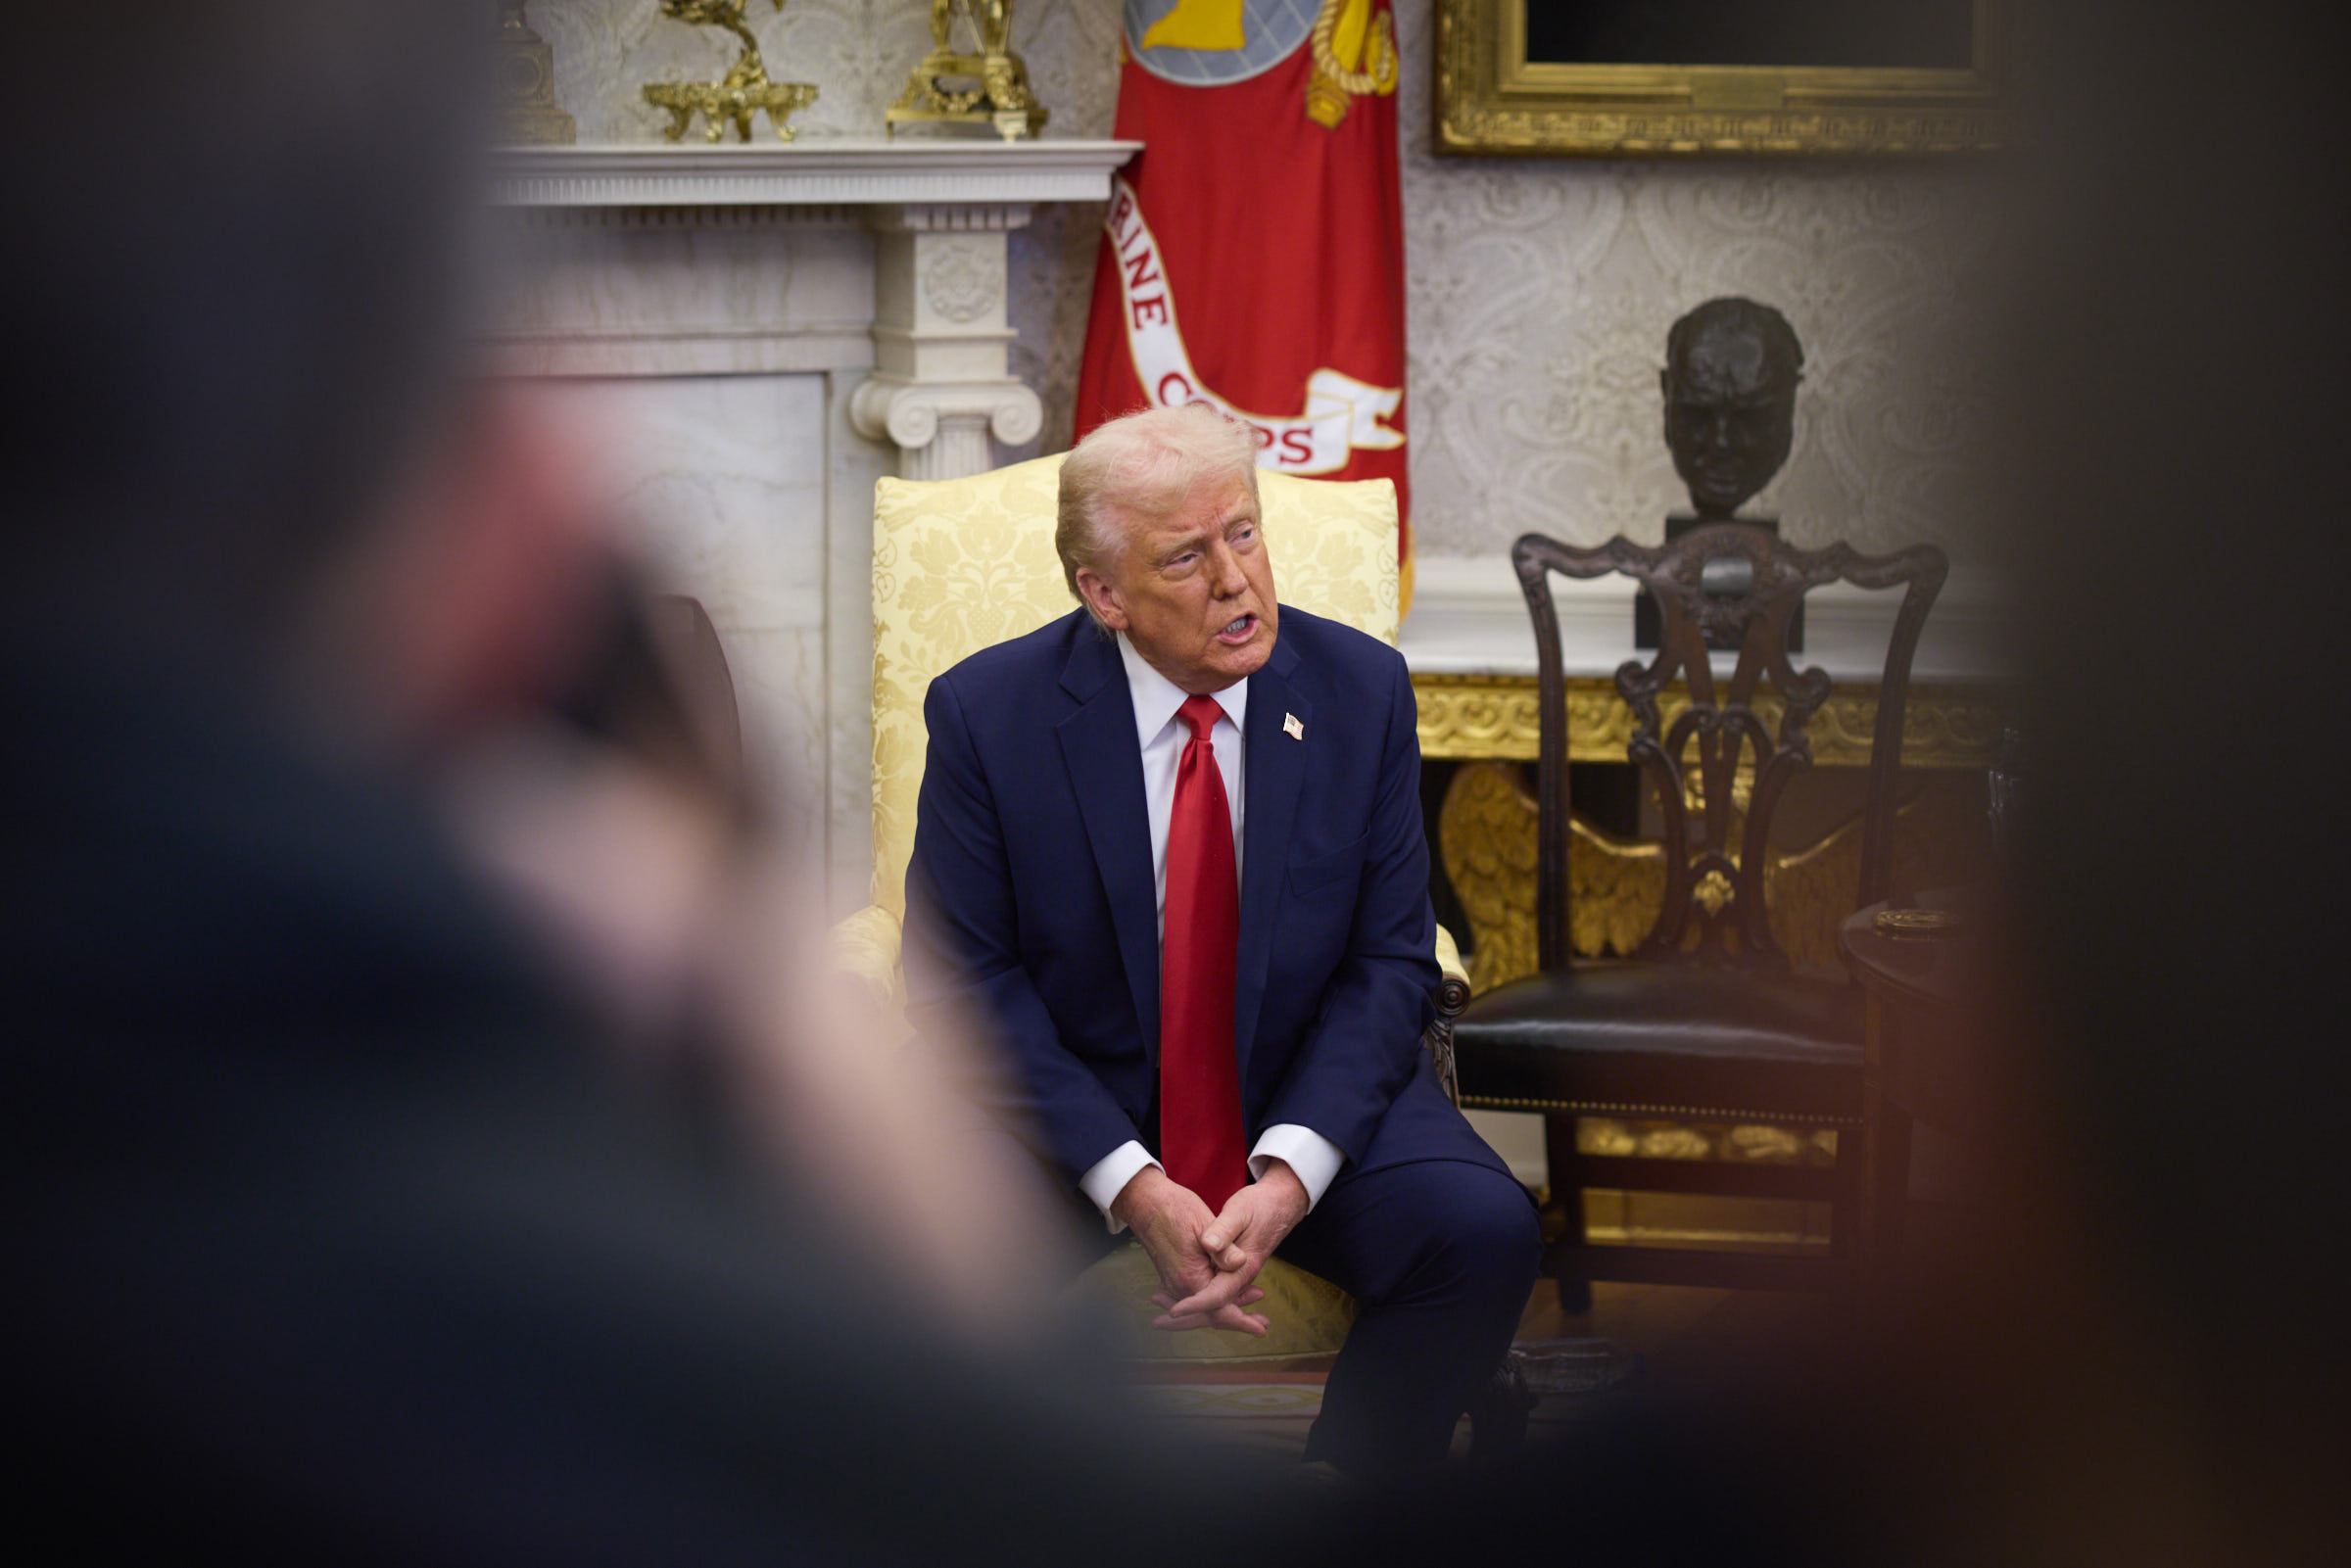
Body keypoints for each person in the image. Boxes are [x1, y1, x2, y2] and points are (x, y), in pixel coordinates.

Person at [2, 5, 1321, 1558]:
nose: (1236, 574)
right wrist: (877, 1147)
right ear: (524, 495)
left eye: (1244, 534)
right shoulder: (579, 1342)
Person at [902, 403, 1541, 1475]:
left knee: (1480, 1230)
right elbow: (962, 980)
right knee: (901, 1240)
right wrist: (1131, 1182)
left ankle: (1350, 1503)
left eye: (1243, 533)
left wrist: (1290, 1173)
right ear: (1103, 594)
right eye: (1186, 557)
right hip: (1072, 1118)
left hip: (1299, 1089)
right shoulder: (988, 715)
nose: (1237, 580)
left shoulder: (1360, 692)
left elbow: (1390, 959)